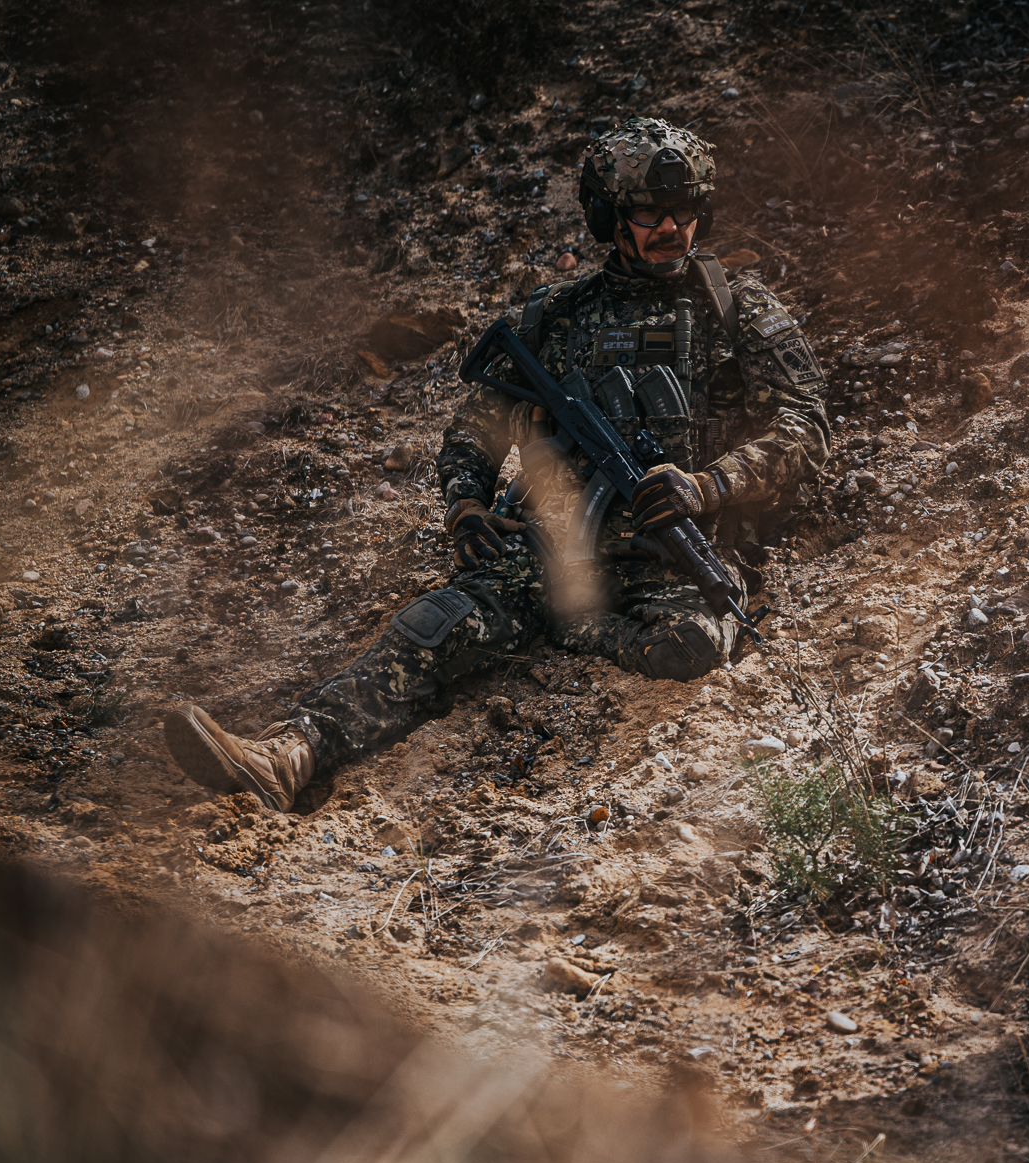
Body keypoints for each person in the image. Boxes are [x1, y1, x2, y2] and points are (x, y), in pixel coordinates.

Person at [163, 117, 829, 812]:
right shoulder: (557, 316)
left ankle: (572, 627)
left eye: (687, 211)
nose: (671, 228)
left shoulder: (737, 310)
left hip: (664, 555)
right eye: (647, 213)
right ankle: (289, 752)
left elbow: (807, 425)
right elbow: (475, 426)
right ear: (607, 217)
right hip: (544, 547)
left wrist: (709, 485)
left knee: (693, 645)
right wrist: (467, 504)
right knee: (435, 627)